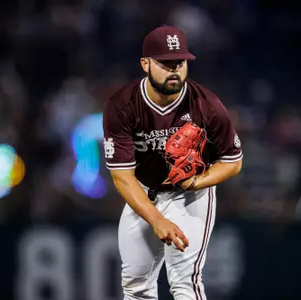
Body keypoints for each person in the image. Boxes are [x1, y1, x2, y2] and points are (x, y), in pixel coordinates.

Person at [103, 25, 243, 300]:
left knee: (184, 283)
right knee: (135, 284)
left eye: (179, 62)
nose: (174, 69)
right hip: (144, 190)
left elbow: (232, 161)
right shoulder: (123, 105)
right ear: (145, 64)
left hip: (190, 196)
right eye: (165, 63)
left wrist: (197, 181)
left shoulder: (206, 104)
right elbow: (122, 176)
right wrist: (156, 219)